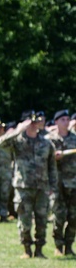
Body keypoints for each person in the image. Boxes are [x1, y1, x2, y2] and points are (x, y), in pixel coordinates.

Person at [0, 110, 57, 258]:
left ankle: (39, 250)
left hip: (42, 187)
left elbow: (52, 167)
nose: (33, 125)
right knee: (24, 221)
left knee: (42, 220)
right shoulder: (17, 141)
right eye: (30, 122)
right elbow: (0, 144)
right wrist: (18, 130)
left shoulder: (46, 143)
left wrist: (53, 187)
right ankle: (26, 249)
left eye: (35, 122)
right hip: (23, 187)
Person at [47, 109, 76, 256]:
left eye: (67, 119)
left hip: (73, 183)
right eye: (63, 119)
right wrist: (53, 157)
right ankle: (58, 245)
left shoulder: (75, 138)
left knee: (74, 216)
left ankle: (69, 245)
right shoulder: (50, 140)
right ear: (56, 122)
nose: (66, 122)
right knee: (59, 215)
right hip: (58, 183)